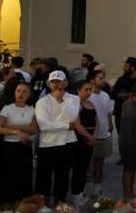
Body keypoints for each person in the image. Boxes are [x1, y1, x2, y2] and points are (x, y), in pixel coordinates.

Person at [34, 69, 79, 204]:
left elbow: (72, 117)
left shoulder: (74, 99)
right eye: (53, 82)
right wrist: (65, 126)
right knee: (43, 177)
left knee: (63, 176)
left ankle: (60, 203)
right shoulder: (42, 102)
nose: (56, 85)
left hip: (67, 143)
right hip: (47, 144)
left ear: (65, 83)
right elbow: (43, 125)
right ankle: (42, 203)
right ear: (49, 84)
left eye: (59, 81)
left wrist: (61, 101)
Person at [68, 80, 98, 203]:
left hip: (91, 137)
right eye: (86, 90)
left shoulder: (91, 103)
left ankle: (81, 192)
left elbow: (97, 121)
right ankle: (76, 195)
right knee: (78, 167)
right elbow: (77, 125)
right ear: (78, 91)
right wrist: (89, 137)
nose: (88, 92)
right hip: (80, 138)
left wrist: (94, 136)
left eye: (90, 90)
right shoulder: (76, 105)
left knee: (85, 167)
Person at [88, 68, 114, 193]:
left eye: (103, 78)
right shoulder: (88, 96)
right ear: (92, 80)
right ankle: (84, 191)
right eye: (100, 78)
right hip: (91, 135)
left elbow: (108, 112)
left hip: (104, 135)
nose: (103, 80)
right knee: (88, 165)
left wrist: (110, 126)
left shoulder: (105, 95)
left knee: (99, 164)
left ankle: (97, 189)